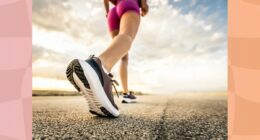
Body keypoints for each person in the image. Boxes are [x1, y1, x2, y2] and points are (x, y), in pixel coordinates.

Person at [66, 0, 149, 117]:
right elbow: (143, 5)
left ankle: (125, 93)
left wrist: (108, 12)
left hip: (113, 11)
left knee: (123, 54)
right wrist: (144, 5)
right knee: (127, 36)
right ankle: (99, 68)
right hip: (129, 3)